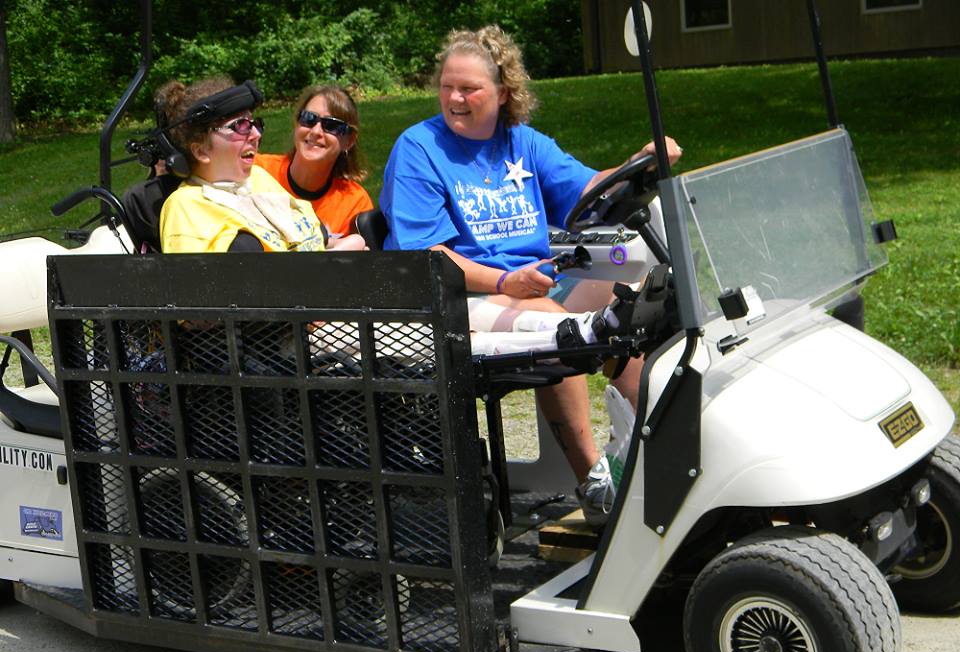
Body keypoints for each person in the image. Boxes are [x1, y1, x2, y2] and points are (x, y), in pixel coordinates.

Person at [380, 26, 682, 525]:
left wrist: (638, 163)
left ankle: (643, 449)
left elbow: (588, 188)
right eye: (447, 87)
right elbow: (427, 258)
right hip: (456, 298)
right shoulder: (419, 148)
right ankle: (594, 485)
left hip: (528, 286)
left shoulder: (521, 142)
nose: (454, 99)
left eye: (469, 88)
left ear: (502, 92)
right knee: (554, 321)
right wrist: (504, 283)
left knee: (638, 295)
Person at [156, 76, 365, 253]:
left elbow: (311, 239)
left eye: (254, 124)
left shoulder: (258, 178)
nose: (256, 134)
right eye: (240, 126)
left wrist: (346, 246)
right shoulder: (186, 207)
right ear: (201, 151)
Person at [255, 85, 373, 243]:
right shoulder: (256, 171)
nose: (316, 131)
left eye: (331, 125)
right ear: (296, 124)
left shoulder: (354, 203)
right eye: (309, 119)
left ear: (349, 140)